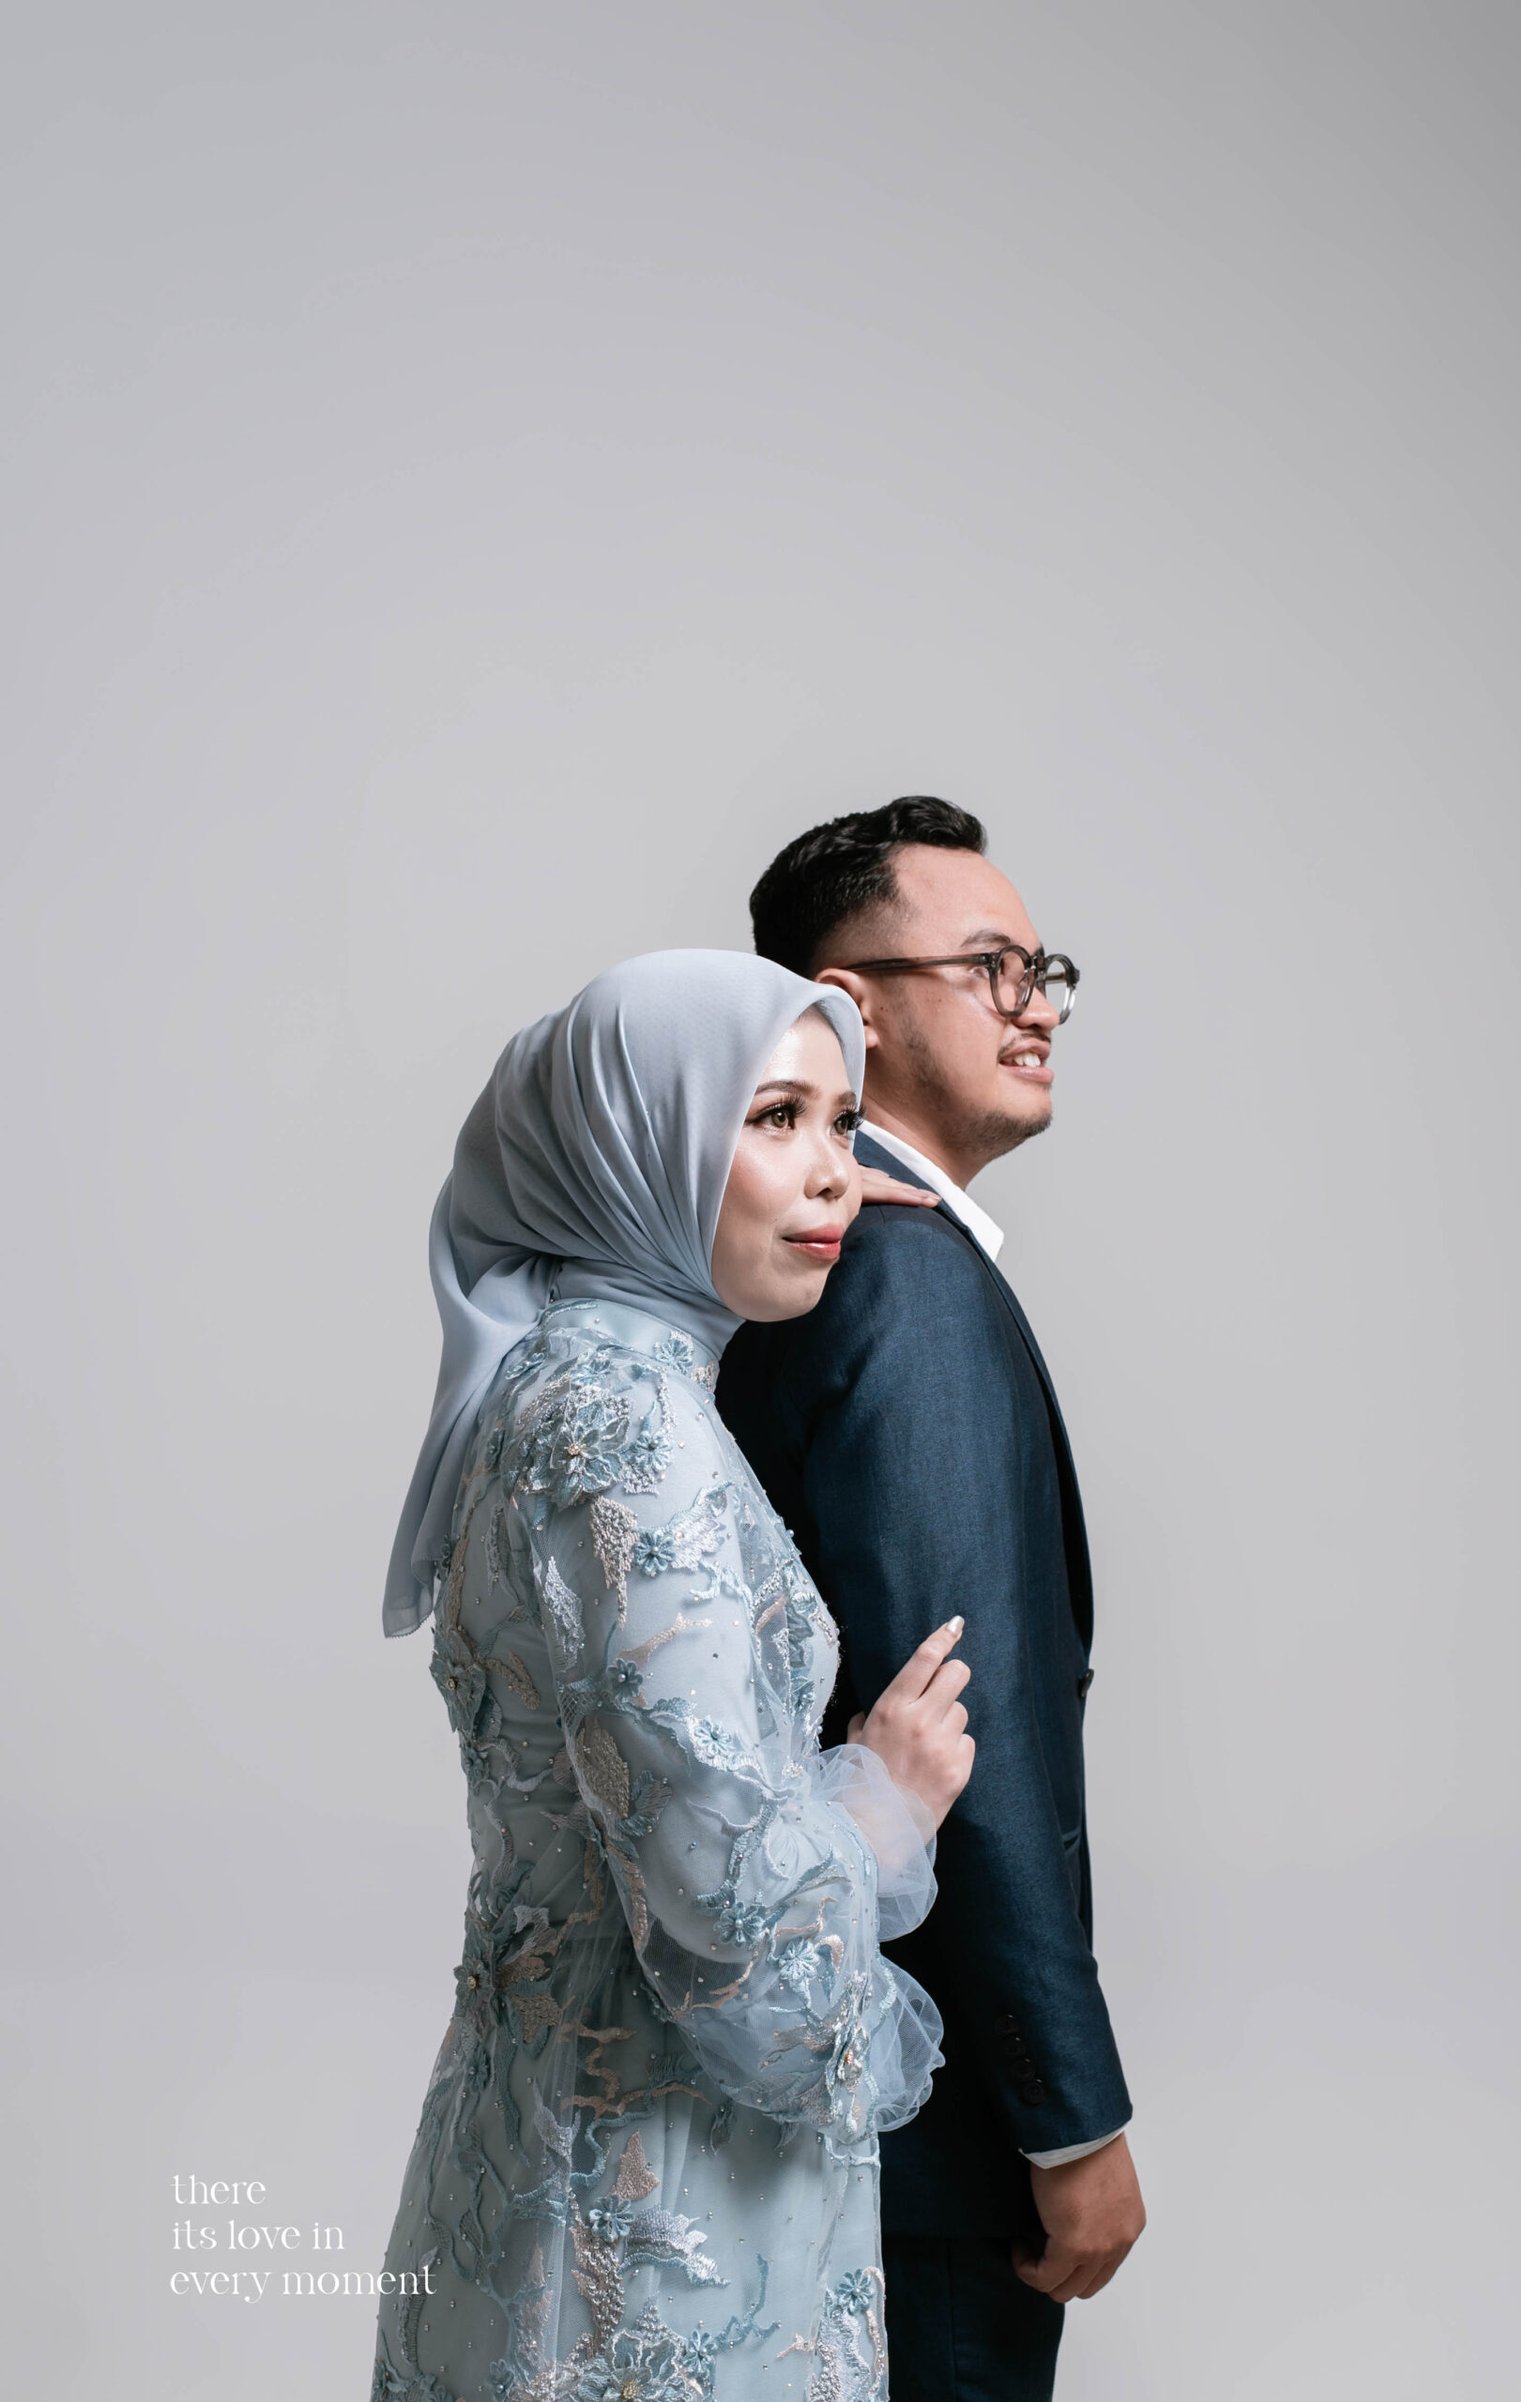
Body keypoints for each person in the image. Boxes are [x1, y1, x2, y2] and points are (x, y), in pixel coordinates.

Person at [371, 948, 974, 2402]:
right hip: (659, 2225)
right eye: (772, 1117)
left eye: (845, 1122)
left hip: (541, 2155)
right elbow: (739, 1949)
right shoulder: (631, 1431)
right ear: (634, 1147)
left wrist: (787, 1175)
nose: (833, 1174)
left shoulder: (556, 1382)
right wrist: (884, 1803)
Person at [716, 799, 1146, 2402]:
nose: (1039, 1004)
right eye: (990, 966)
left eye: (1045, 969)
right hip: (934, 2137)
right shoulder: (907, 1283)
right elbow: (969, 1725)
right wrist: (1069, 2113)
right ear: (854, 1006)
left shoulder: (811, 1267)